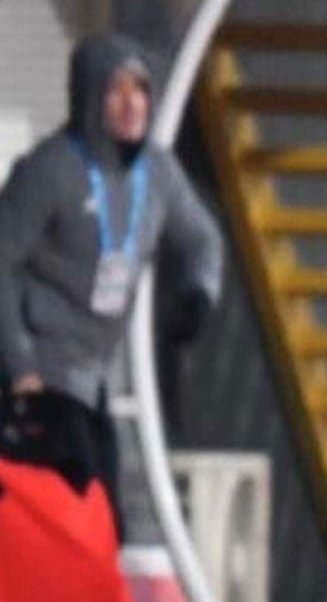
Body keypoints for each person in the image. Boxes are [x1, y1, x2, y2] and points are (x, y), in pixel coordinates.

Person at [0, 33, 223, 541]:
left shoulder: (158, 174)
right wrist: (19, 366)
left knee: (105, 524)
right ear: (89, 97)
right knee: (75, 517)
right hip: (39, 375)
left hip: (90, 376)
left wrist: (198, 294)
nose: (131, 104)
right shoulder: (50, 170)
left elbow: (202, 239)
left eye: (139, 89)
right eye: (115, 90)